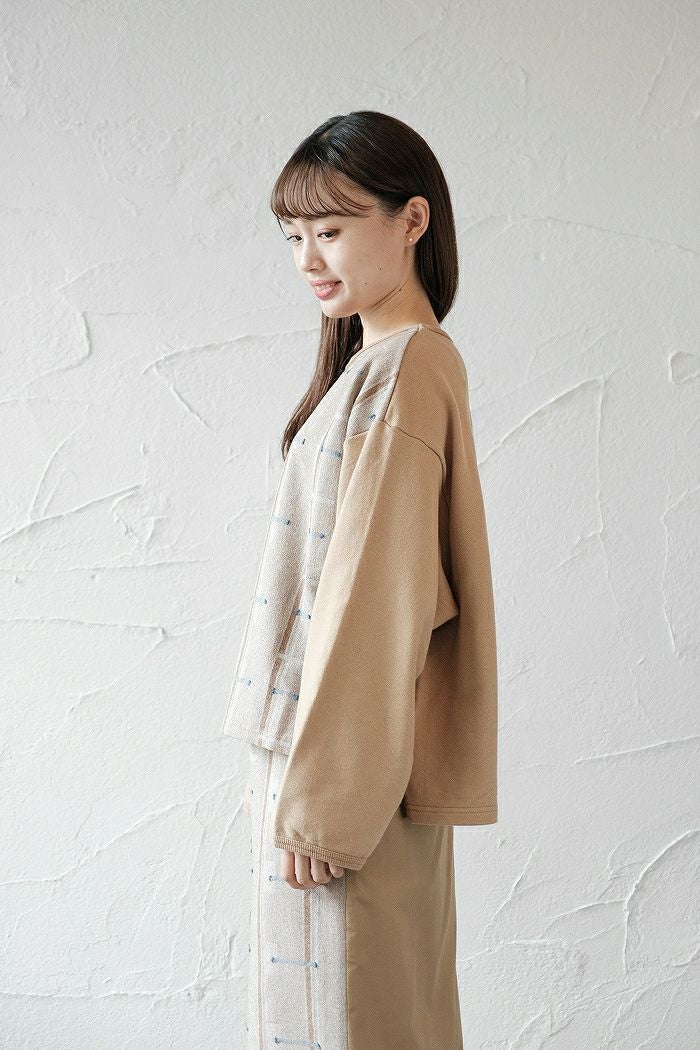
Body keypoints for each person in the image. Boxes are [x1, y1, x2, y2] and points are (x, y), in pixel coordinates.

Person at [221, 110, 498, 1050]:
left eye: (331, 230)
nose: (308, 258)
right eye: (293, 235)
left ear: (413, 220)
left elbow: (380, 598)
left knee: (354, 1023)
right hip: (331, 762)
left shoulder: (405, 372)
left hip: (341, 777)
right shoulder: (381, 367)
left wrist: (323, 811)